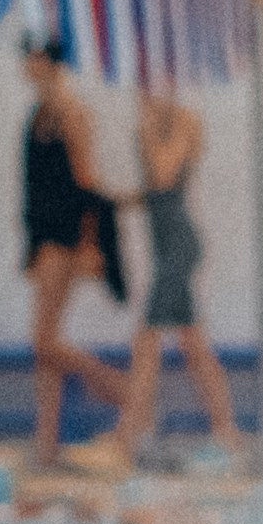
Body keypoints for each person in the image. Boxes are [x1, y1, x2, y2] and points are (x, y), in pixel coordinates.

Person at [83, 88, 243, 472]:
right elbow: (157, 192)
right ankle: (227, 434)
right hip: (167, 248)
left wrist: (151, 123)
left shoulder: (185, 122)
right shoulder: (158, 122)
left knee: (147, 341)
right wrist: (121, 201)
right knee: (193, 345)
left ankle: (125, 441)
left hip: (178, 248)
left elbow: (164, 173)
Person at [19, 34, 130, 471]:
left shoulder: (70, 112)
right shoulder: (37, 113)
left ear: (47, 62)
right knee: (45, 344)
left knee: (43, 341)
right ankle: (46, 444)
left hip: (64, 236)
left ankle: (118, 387)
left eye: (30, 59)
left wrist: (89, 245)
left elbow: (85, 182)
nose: (26, 66)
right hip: (44, 234)